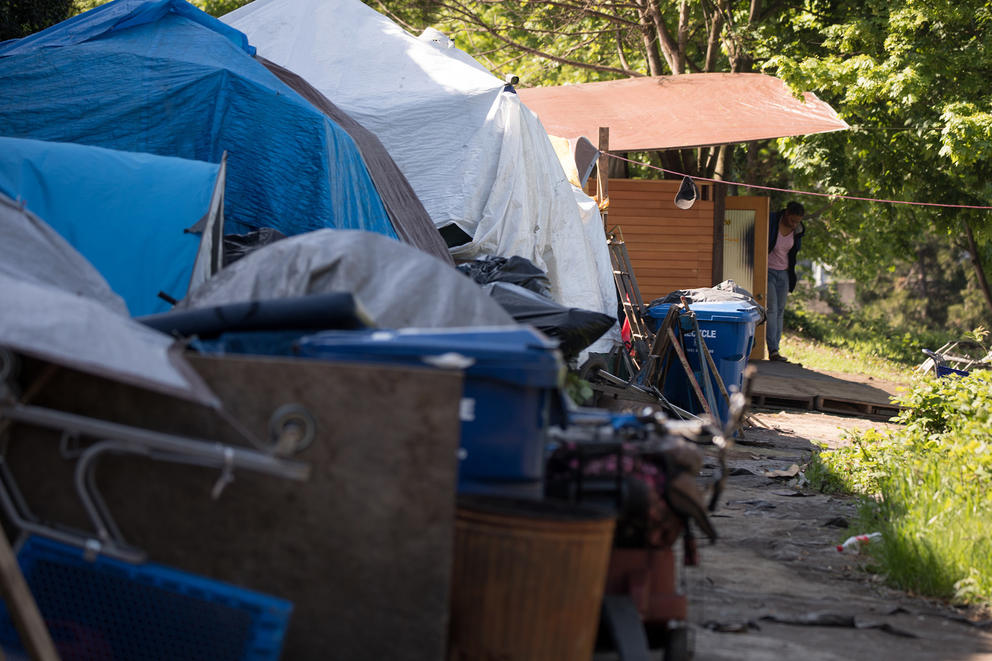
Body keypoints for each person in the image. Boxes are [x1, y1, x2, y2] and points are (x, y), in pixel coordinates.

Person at [766, 201, 805, 362]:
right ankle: (773, 349)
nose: (795, 224)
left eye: (798, 221)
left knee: (780, 311)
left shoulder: (799, 230)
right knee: (772, 309)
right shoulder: (772, 221)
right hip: (767, 270)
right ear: (786, 213)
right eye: (793, 220)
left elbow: (794, 253)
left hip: (784, 274)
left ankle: (776, 349)